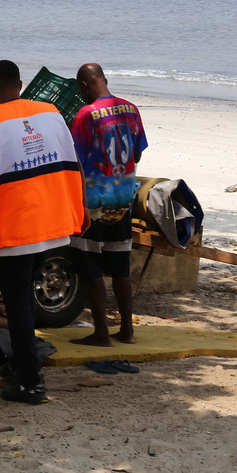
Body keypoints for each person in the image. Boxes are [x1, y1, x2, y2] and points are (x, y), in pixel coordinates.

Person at [0, 60, 89, 404]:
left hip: (14, 226)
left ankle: (30, 383)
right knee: (24, 294)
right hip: (53, 219)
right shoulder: (52, 113)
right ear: (20, 84)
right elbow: (74, 163)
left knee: (16, 301)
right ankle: (21, 361)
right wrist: (83, 207)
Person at [67, 63, 148, 346]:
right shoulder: (131, 109)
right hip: (124, 198)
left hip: (94, 201)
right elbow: (136, 156)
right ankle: (127, 330)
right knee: (120, 267)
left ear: (84, 85)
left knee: (90, 266)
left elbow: (76, 161)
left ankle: (101, 333)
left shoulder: (86, 114)